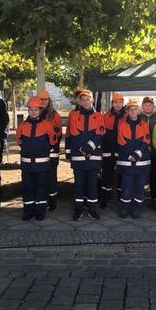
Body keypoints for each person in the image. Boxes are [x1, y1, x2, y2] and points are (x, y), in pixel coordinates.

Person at [65, 90, 105, 221]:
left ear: (92, 100)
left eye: (88, 99)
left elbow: (99, 134)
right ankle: (78, 208)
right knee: (79, 185)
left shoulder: (99, 116)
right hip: (78, 157)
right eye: (83, 100)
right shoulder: (74, 116)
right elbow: (73, 134)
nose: (86, 102)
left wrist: (87, 148)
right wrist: (82, 150)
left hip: (93, 157)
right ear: (80, 101)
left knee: (92, 185)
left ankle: (92, 209)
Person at [16, 97, 58, 221]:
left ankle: (40, 211)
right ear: (27, 110)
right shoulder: (22, 126)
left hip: (42, 165)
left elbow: (53, 141)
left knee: (41, 188)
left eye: (36, 109)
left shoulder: (47, 125)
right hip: (27, 165)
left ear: (41, 110)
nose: (33, 112)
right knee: (27, 187)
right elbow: (19, 141)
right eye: (31, 109)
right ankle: (28, 211)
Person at [116, 100, 151, 219]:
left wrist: (136, 154)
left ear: (138, 110)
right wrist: (131, 154)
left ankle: (137, 209)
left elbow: (146, 141)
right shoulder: (121, 124)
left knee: (140, 187)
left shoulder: (144, 125)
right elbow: (121, 141)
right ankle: (124, 208)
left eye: (135, 109)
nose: (133, 111)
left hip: (141, 163)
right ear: (127, 110)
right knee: (126, 187)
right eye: (131, 109)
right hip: (127, 162)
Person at [100, 93, 126, 209]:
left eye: (120, 102)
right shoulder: (106, 116)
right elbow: (102, 134)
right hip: (108, 152)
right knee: (106, 176)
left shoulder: (127, 116)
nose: (118, 104)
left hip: (122, 151)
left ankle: (121, 199)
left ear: (123, 103)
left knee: (121, 176)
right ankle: (105, 199)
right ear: (112, 103)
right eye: (116, 102)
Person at [38, 90, 62, 211]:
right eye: (41, 99)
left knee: (51, 176)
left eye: (45, 99)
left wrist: (50, 145)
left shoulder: (55, 115)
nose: (43, 102)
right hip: (39, 152)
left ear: (49, 101)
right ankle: (43, 200)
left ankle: (53, 201)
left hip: (52, 151)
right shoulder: (35, 114)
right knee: (41, 176)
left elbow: (58, 134)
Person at [139, 97, 156, 209]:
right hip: (141, 152)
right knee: (140, 176)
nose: (148, 106)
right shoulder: (137, 118)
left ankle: (154, 198)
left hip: (155, 152)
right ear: (142, 106)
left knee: (154, 176)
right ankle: (139, 198)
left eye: (150, 105)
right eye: (146, 105)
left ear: (153, 106)